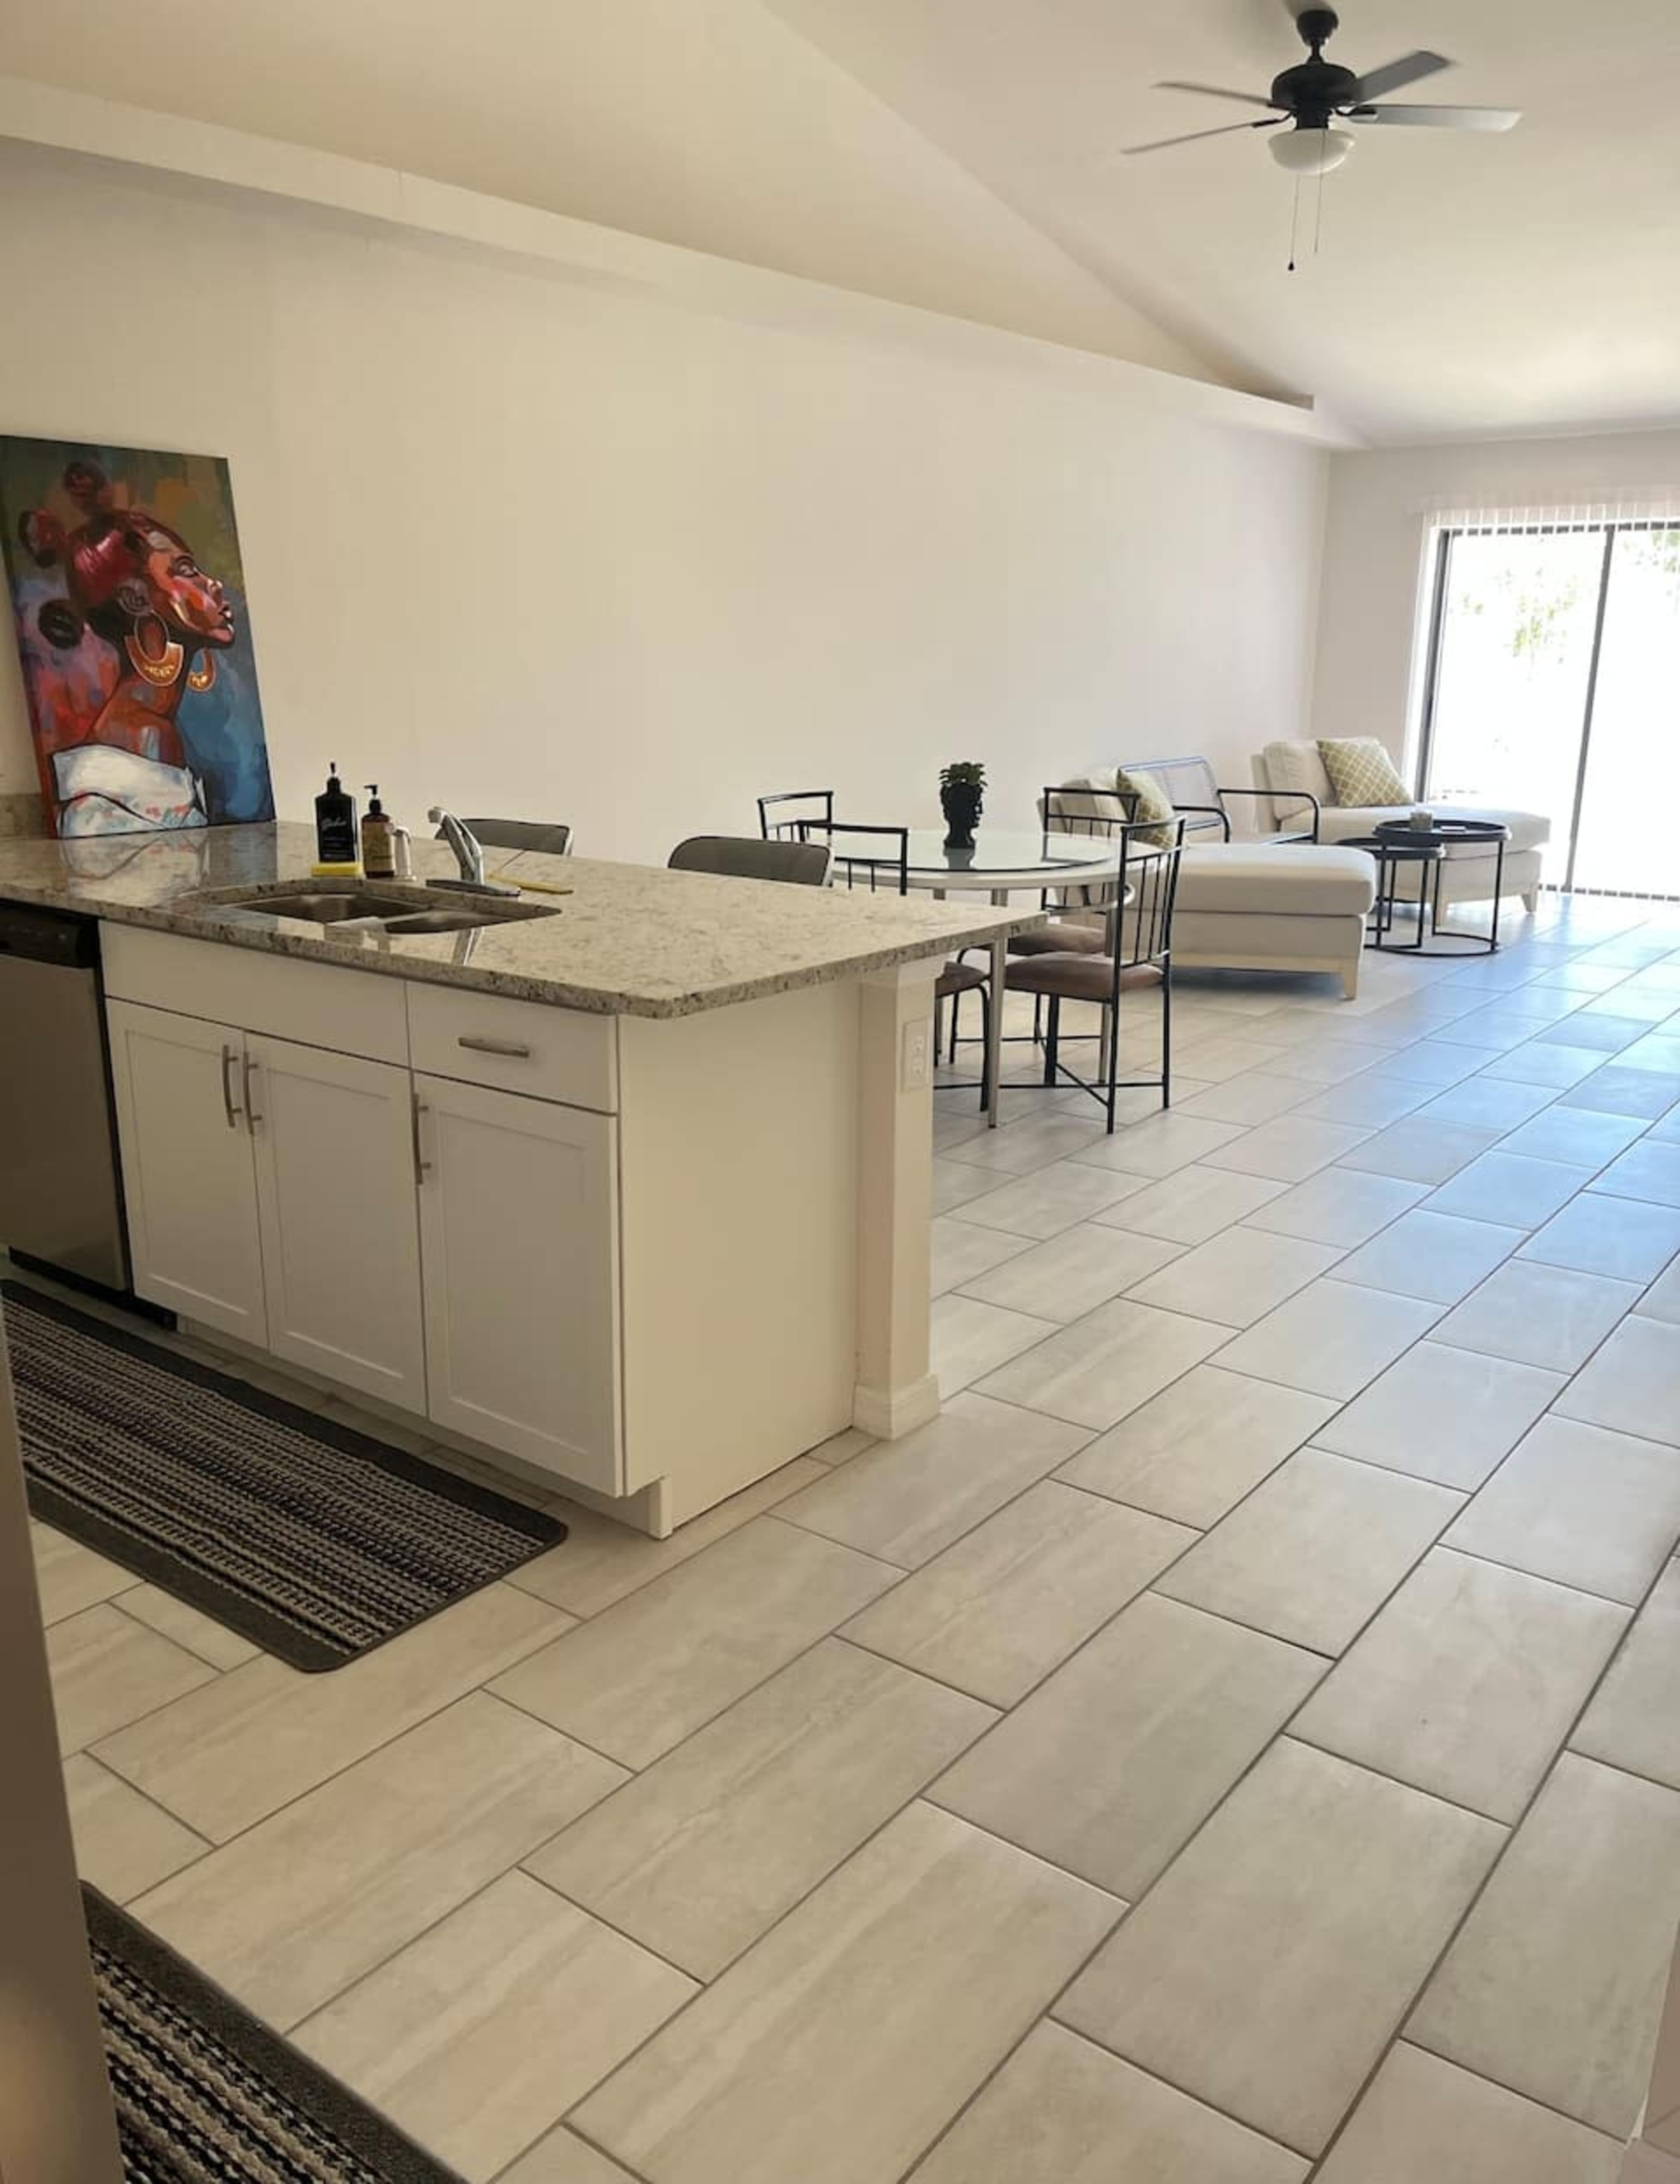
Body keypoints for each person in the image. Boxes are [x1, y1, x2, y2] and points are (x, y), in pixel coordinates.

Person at [19, 460, 236, 835]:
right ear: (135, 601)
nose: (213, 583)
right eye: (185, 571)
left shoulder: (158, 729)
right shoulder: (100, 805)